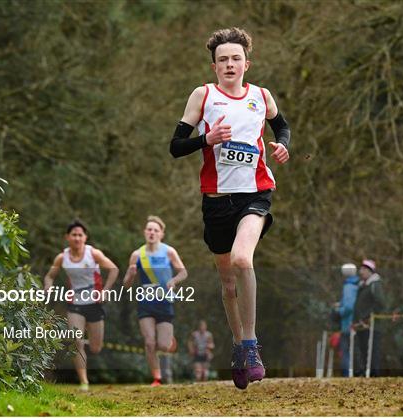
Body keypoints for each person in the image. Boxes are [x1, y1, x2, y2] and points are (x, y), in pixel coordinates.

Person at [169, 27, 290, 389]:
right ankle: (238, 345)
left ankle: (251, 344)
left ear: (246, 64)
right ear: (214, 66)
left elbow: (281, 127)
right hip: (217, 200)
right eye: (223, 59)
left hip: (256, 193)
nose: (229, 64)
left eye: (236, 58)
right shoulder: (203, 96)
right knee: (227, 282)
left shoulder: (261, 96)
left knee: (242, 260)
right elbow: (175, 146)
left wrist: (282, 146)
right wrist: (207, 139)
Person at [44, 219, 119, 391]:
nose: (77, 238)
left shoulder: (93, 254)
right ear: (67, 237)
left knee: (95, 347)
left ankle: (87, 343)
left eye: (80, 235)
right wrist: (48, 286)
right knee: (75, 341)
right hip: (75, 303)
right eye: (74, 235)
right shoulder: (62, 257)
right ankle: (84, 381)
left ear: (85, 237)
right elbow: (49, 276)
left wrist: (105, 290)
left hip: (94, 302)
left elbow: (114, 269)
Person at [123, 215, 188, 387]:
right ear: (145, 232)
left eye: (155, 230)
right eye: (149, 229)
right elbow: (127, 285)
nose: (152, 232)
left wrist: (173, 281)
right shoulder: (137, 255)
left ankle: (168, 340)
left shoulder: (169, 251)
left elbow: (183, 272)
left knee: (164, 346)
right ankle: (157, 378)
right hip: (146, 302)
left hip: (164, 301)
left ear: (161, 234)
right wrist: (130, 275)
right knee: (149, 342)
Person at [352, 259, 385, 377]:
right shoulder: (362, 286)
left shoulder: (375, 285)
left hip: (371, 324)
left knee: (372, 350)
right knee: (362, 349)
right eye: (361, 269)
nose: (361, 272)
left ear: (370, 271)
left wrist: (369, 317)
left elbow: (380, 303)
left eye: (364, 269)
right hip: (361, 324)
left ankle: (373, 374)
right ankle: (363, 372)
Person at [333, 263, 359, 377]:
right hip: (354, 323)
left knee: (345, 351)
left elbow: (349, 306)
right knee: (352, 350)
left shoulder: (348, 286)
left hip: (347, 324)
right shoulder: (356, 284)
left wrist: (339, 310)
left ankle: (347, 375)